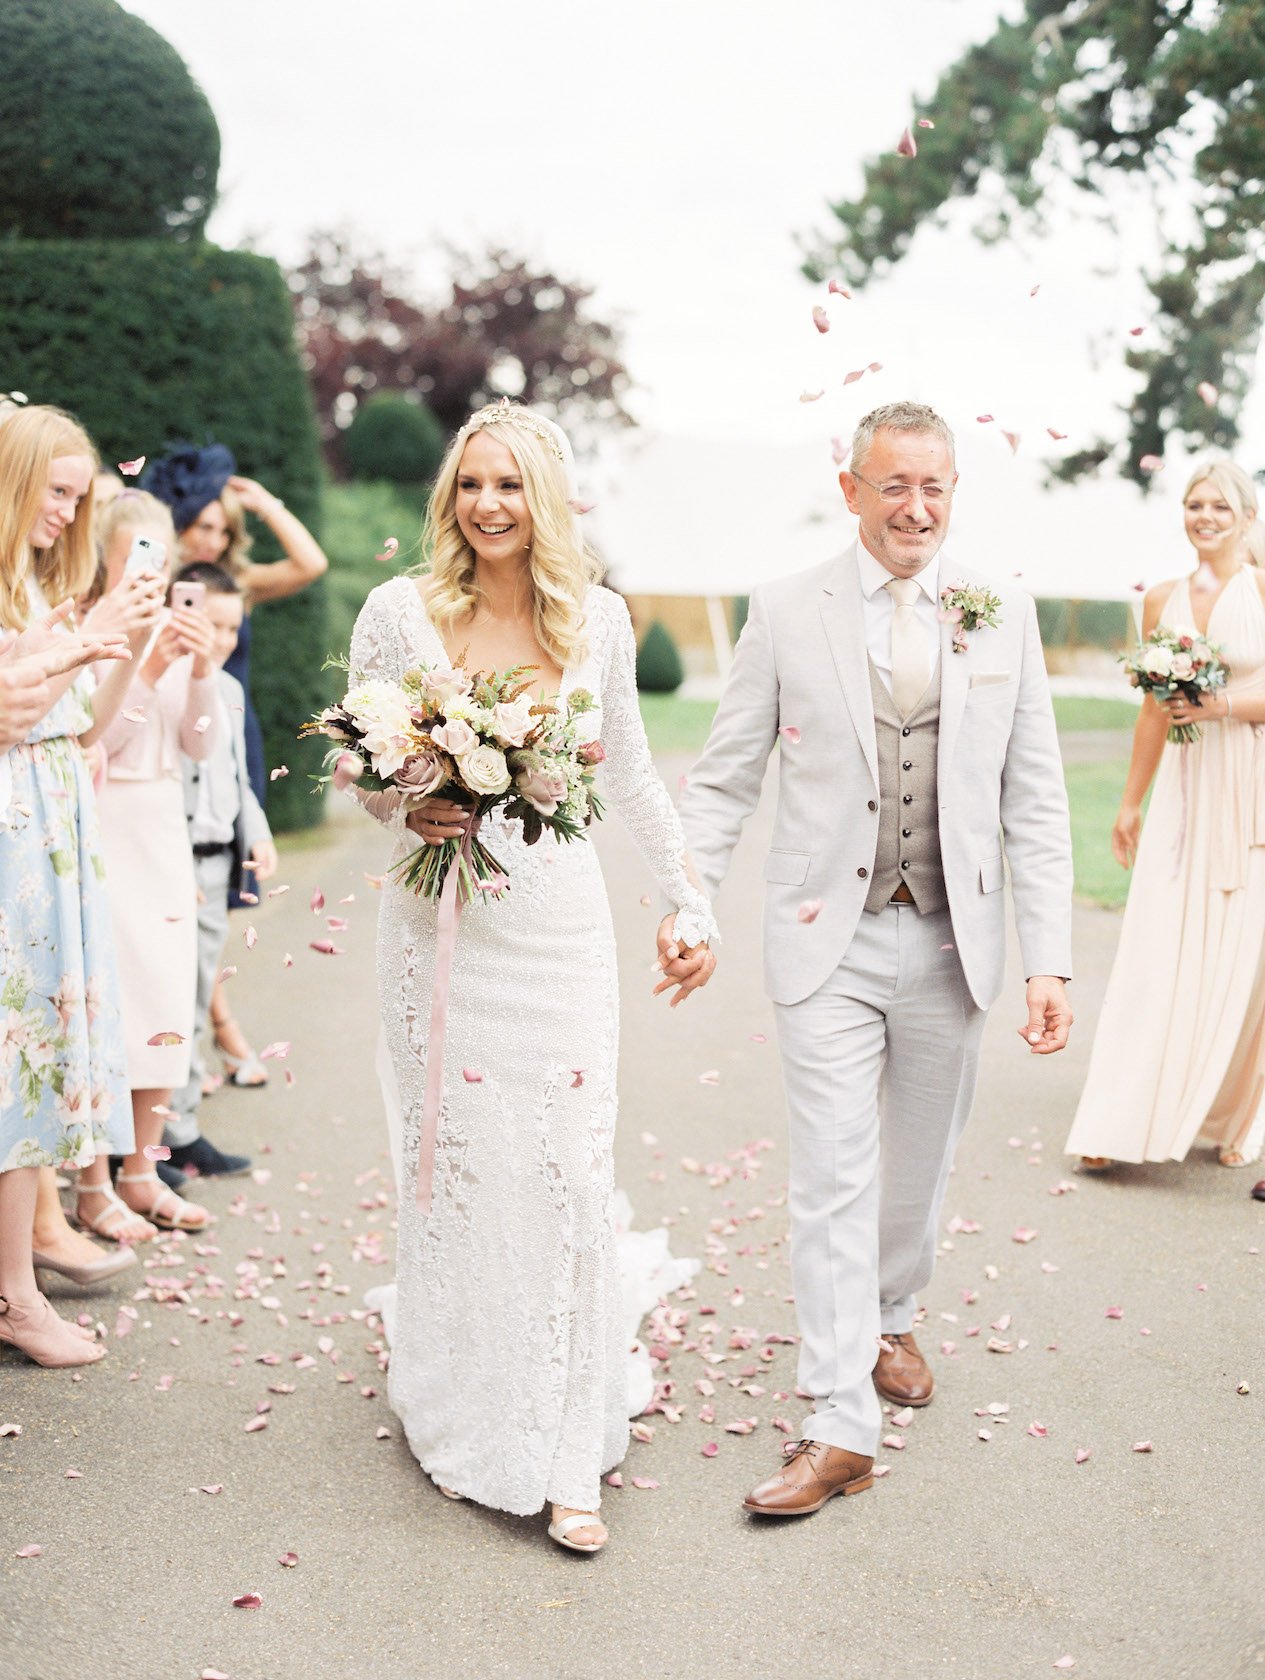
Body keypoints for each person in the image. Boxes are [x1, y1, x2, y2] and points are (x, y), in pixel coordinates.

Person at [665, 400, 1073, 1517]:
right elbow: (725, 774)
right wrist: (686, 904)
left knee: (917, 1163)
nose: (916, 508)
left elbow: (1031, 796)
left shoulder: (1002, 614)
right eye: (893, 485)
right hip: (823, 942)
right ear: (850, 489)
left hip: (955, 940)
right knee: (832, 1177)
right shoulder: (786, 610)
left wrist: (1050, 959)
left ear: (954, 493)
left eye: (934, 486)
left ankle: (889, 1314)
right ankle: (837, 1417)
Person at [348, 402, 716, 1554]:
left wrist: (686, 895)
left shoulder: (597, 620)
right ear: (449, 499)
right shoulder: (397, 614)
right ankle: (461, 1408)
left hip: (555, 930)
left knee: (560, 1171)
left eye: (509, 485)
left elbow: (639, 779)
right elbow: (362, 774)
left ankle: (563, 1453)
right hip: (437, 924)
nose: (489, 506)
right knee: (455, 1167)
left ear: (543, 499)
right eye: (471, 486)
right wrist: (410, 801)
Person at [1066, 461, 1265, 1172]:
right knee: (1157, 944)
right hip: (1184, 787)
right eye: (1192, 503)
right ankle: (1120, 1121)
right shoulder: (1160, 601)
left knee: (1246, 956)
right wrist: (1129, 801)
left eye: (1218, 504)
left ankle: (1241, 1116)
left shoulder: (1261, 585)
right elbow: (1152, 708)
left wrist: (1221, 706)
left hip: (1249, 787)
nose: (1203, 515)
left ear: (1244, 515)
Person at [0, 405, 142, 1366]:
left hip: (49, 831)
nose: (68, 510)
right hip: (14, 832)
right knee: (19, 1055)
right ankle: (15, 1297)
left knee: (39, 1048)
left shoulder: (31, 586)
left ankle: (26, 1262)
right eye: (56, 488)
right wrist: (83, 635)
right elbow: (11, 712)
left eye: (79, 493)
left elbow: (81, 723)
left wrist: (112, 642)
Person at [146, 444, 327, 1087]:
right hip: (161, 731)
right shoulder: (151, 580)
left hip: (228, 730)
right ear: (179, 521)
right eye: (202, 524)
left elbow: (312, 563)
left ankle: (205, 1036)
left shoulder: (239, 586)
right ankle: (216, 1035)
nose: (211, 538)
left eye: (223, 529)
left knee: (216, 889)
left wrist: (265, 502)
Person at [74, 492, 219, 1241]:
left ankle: (141, 1172)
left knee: (163, 1000)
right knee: (108, 1004)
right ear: (102, 559)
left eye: (157, 562)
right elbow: (99, 743)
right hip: (102, 824)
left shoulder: (171, 630)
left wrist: (199, 672)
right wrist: (141, 665)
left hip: (162, 829)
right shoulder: (87, 631)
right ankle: (93, 1181)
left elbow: (198, 744)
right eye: (133, 558)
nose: (148, 576)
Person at [164, 560, 277, 1177]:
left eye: (233, 628)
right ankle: (154, 1135)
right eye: (213, 625)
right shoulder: (159, 681)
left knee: (199, 994)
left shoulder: (229, 692)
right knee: (167, 1002)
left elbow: (239, 781)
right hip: (168, 861)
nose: (224, 639)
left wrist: (255, 835)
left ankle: (181, 1127)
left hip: (215, 869)